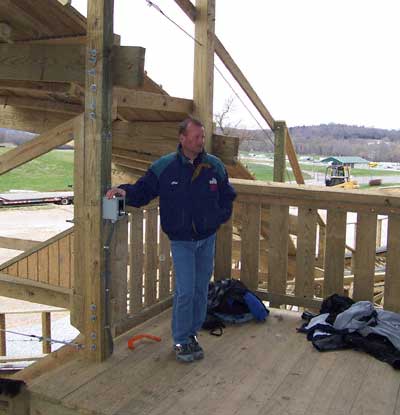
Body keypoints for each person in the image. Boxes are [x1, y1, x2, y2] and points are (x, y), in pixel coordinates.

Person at [106, 116, 236, 362]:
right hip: (182, 241)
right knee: (186, 291)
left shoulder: (214, 166)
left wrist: (219, 218)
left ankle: (192, 333)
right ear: (183, 138)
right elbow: (143, 190)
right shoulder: (165, 167)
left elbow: (227, 195)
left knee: (199, 290)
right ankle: (180, 339)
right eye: (196, 136)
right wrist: (123, 191)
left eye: (202, 136)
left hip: (207, 238)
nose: (201, 141)